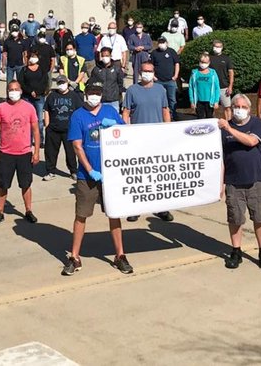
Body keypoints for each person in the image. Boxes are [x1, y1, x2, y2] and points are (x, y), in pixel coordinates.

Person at [63, 87, 133, 277]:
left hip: (111, 174)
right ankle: (75, 257)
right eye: (90, 95)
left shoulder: (109, 111)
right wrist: (90, 170)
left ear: (101, 96)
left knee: (114, 214)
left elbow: (125, 134)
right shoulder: (78, 116)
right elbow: (77, 146)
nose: (94, 99)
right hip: (88, 176)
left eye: (97, 95)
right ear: (85, 96)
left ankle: (120, 255)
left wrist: (116, 127)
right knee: (81, 215)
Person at [219, 94, 261, 270]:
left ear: (249, 109)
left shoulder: (256, 123)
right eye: (236, 106)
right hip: (233, 182)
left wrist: (229, 129)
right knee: (235, 218)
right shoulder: (223, 130)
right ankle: (236, 251)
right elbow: (220, 158)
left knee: (260, 217)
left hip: (256, 179)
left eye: (243, 107)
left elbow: (251, 141)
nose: (239, 109)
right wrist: (220, 184)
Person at [123, 62, 173, 222]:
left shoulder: (160, 90)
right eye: (144, 71)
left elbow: (165, 110)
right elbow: (126, 112)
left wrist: (169, 131)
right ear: (139, 72)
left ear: (154, 73)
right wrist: (127, 132)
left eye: (150, 71)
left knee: (159, 175)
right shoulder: (132, 90)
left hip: (157, 139)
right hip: (138, 138)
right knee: (138, 174)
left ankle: (161, 208)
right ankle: (135, 208)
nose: (147, 73)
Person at [0, 80, 40, 225]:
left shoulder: (29, 108)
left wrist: (36, 151)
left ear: (21, 90)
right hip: (6, 153)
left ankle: (28, 210)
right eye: (11, 89)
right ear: (7, 92)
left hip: (24, 153)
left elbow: (36, 130)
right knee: (3, 185)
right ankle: (0, 212)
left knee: (26, 184)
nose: (13, 92)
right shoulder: (1, 108)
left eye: (16, 89)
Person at [43, 76, 83, 180]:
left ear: (67, 83)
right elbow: (46, 110)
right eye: (59, 83)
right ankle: (51, 171)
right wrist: (47, 126)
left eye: (63, 83)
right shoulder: (52, 96)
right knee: (51, 151)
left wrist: (77, 127)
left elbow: (79, 112)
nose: (61, 85)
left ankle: (73, 171)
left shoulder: (74, 96)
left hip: (69, 130)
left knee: (71, 152)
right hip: (53, 129)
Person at [19, 47, 51, 139]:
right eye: (31, 56)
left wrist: (38, 92)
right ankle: (28, 139)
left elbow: (45, 82)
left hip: (39, 97)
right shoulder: (24, 70)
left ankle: (40, 139)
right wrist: (30, 91)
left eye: (34, 56)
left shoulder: (42, 69)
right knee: (28, 120)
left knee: (39, 120)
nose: (33, 58)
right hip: (27, 97)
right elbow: (21, 82)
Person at [149, 35, 181, 119]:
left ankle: (173, 114)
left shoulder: (171, 51)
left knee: (172, 99)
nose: (161, 44)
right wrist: (153, 77)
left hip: (170, 80)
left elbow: (177, 63)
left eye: (163, 42)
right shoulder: (154, 53)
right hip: (158, 80)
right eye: (159, 43)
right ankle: (160, 115)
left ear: (166, 43)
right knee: (158, 99)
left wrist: (176, 75)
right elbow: (151, 65)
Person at [188, 52, 221, 119]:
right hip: (198, 101)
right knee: (200, 119)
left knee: (209, 118)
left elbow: (217, 88)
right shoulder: (194, 73)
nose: (203, 64)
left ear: (209, 62)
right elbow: (191, 88)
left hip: (210, 101)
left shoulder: (213, 73)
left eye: (205, 62)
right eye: (202, 62)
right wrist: (192, 101)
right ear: (199, 62)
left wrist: (216, 101)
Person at [209, 39, 235, 118]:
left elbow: (231, 72)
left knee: (227, 107)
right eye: (215, 46)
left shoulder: (226, 58)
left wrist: (230, 86)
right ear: (213, 47)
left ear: (222, 47)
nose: (217, 48)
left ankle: (229, 124)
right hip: (211, 87)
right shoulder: (209, 58)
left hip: (224, 86)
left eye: (219, 46)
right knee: (211, 107)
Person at [2, 26, 27, 91]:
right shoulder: (7, 41)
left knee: (20, 83)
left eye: (16, 31)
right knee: (9, 83)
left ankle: (21, 97)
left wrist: (26, 64)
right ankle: (8, 97)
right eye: (13, 31)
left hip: (20, 65)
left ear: (18, 32)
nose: (14, 32)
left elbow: (25, 53)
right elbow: (4, 54)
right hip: (10, 65)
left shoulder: (22, 41)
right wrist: (3, 65)